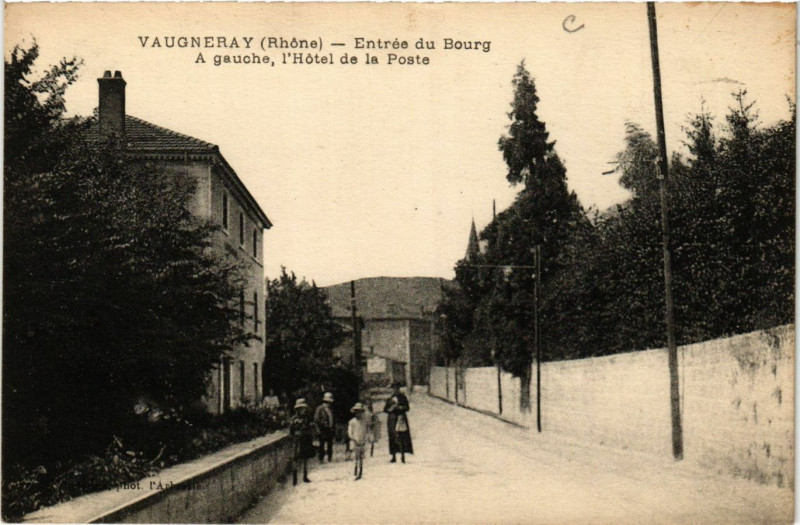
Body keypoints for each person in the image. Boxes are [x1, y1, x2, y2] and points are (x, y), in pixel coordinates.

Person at [384, 383, 413, 463]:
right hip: (392, 419)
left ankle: (403, 456)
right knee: (393, 437)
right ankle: (393, 456)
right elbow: (385, 409)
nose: (395, 390)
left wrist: (400, 407)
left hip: (400, 418)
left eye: (397, 388)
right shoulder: (390, 399)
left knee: (402, 437)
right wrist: (391, 408)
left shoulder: (403, 398)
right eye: (394, 388)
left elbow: (407, 408)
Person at [290, 398, 314, 485]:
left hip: (306, 438)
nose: (303, 410)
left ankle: (305, 476)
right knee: (295, 458)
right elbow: (291, 430)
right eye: (301, 409)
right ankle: (295, 478)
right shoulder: (294, 419)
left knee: (305, 458)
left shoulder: (307, 418)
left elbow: (310, 428)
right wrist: (294, 437)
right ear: (297, 409)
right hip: (297, 439)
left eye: (303, 408)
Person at [347, 402, 368, 480]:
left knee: (361, 457)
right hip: (354, 441)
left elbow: (365, 430)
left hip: (362, 441)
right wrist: (352, 438)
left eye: (360, 412)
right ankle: (355, 471)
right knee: (355, 457)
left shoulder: (364, 421)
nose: (358, 413)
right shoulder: (352, 421)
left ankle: (360, 472)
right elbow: (349, 432)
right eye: (357, 412)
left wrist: (366, 438)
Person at [314, 392, 336, 462]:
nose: (328, 403)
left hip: (330, 429)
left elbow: (333, 418)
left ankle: (330, 457)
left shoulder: (331, 409)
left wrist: (333, 427)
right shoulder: (320, 408)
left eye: (329, 402)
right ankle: (321, 458)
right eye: (327, 402)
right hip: (322, 429)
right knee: (322, 444)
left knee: (330, 444)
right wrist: (318, 428)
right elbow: (316, 419)